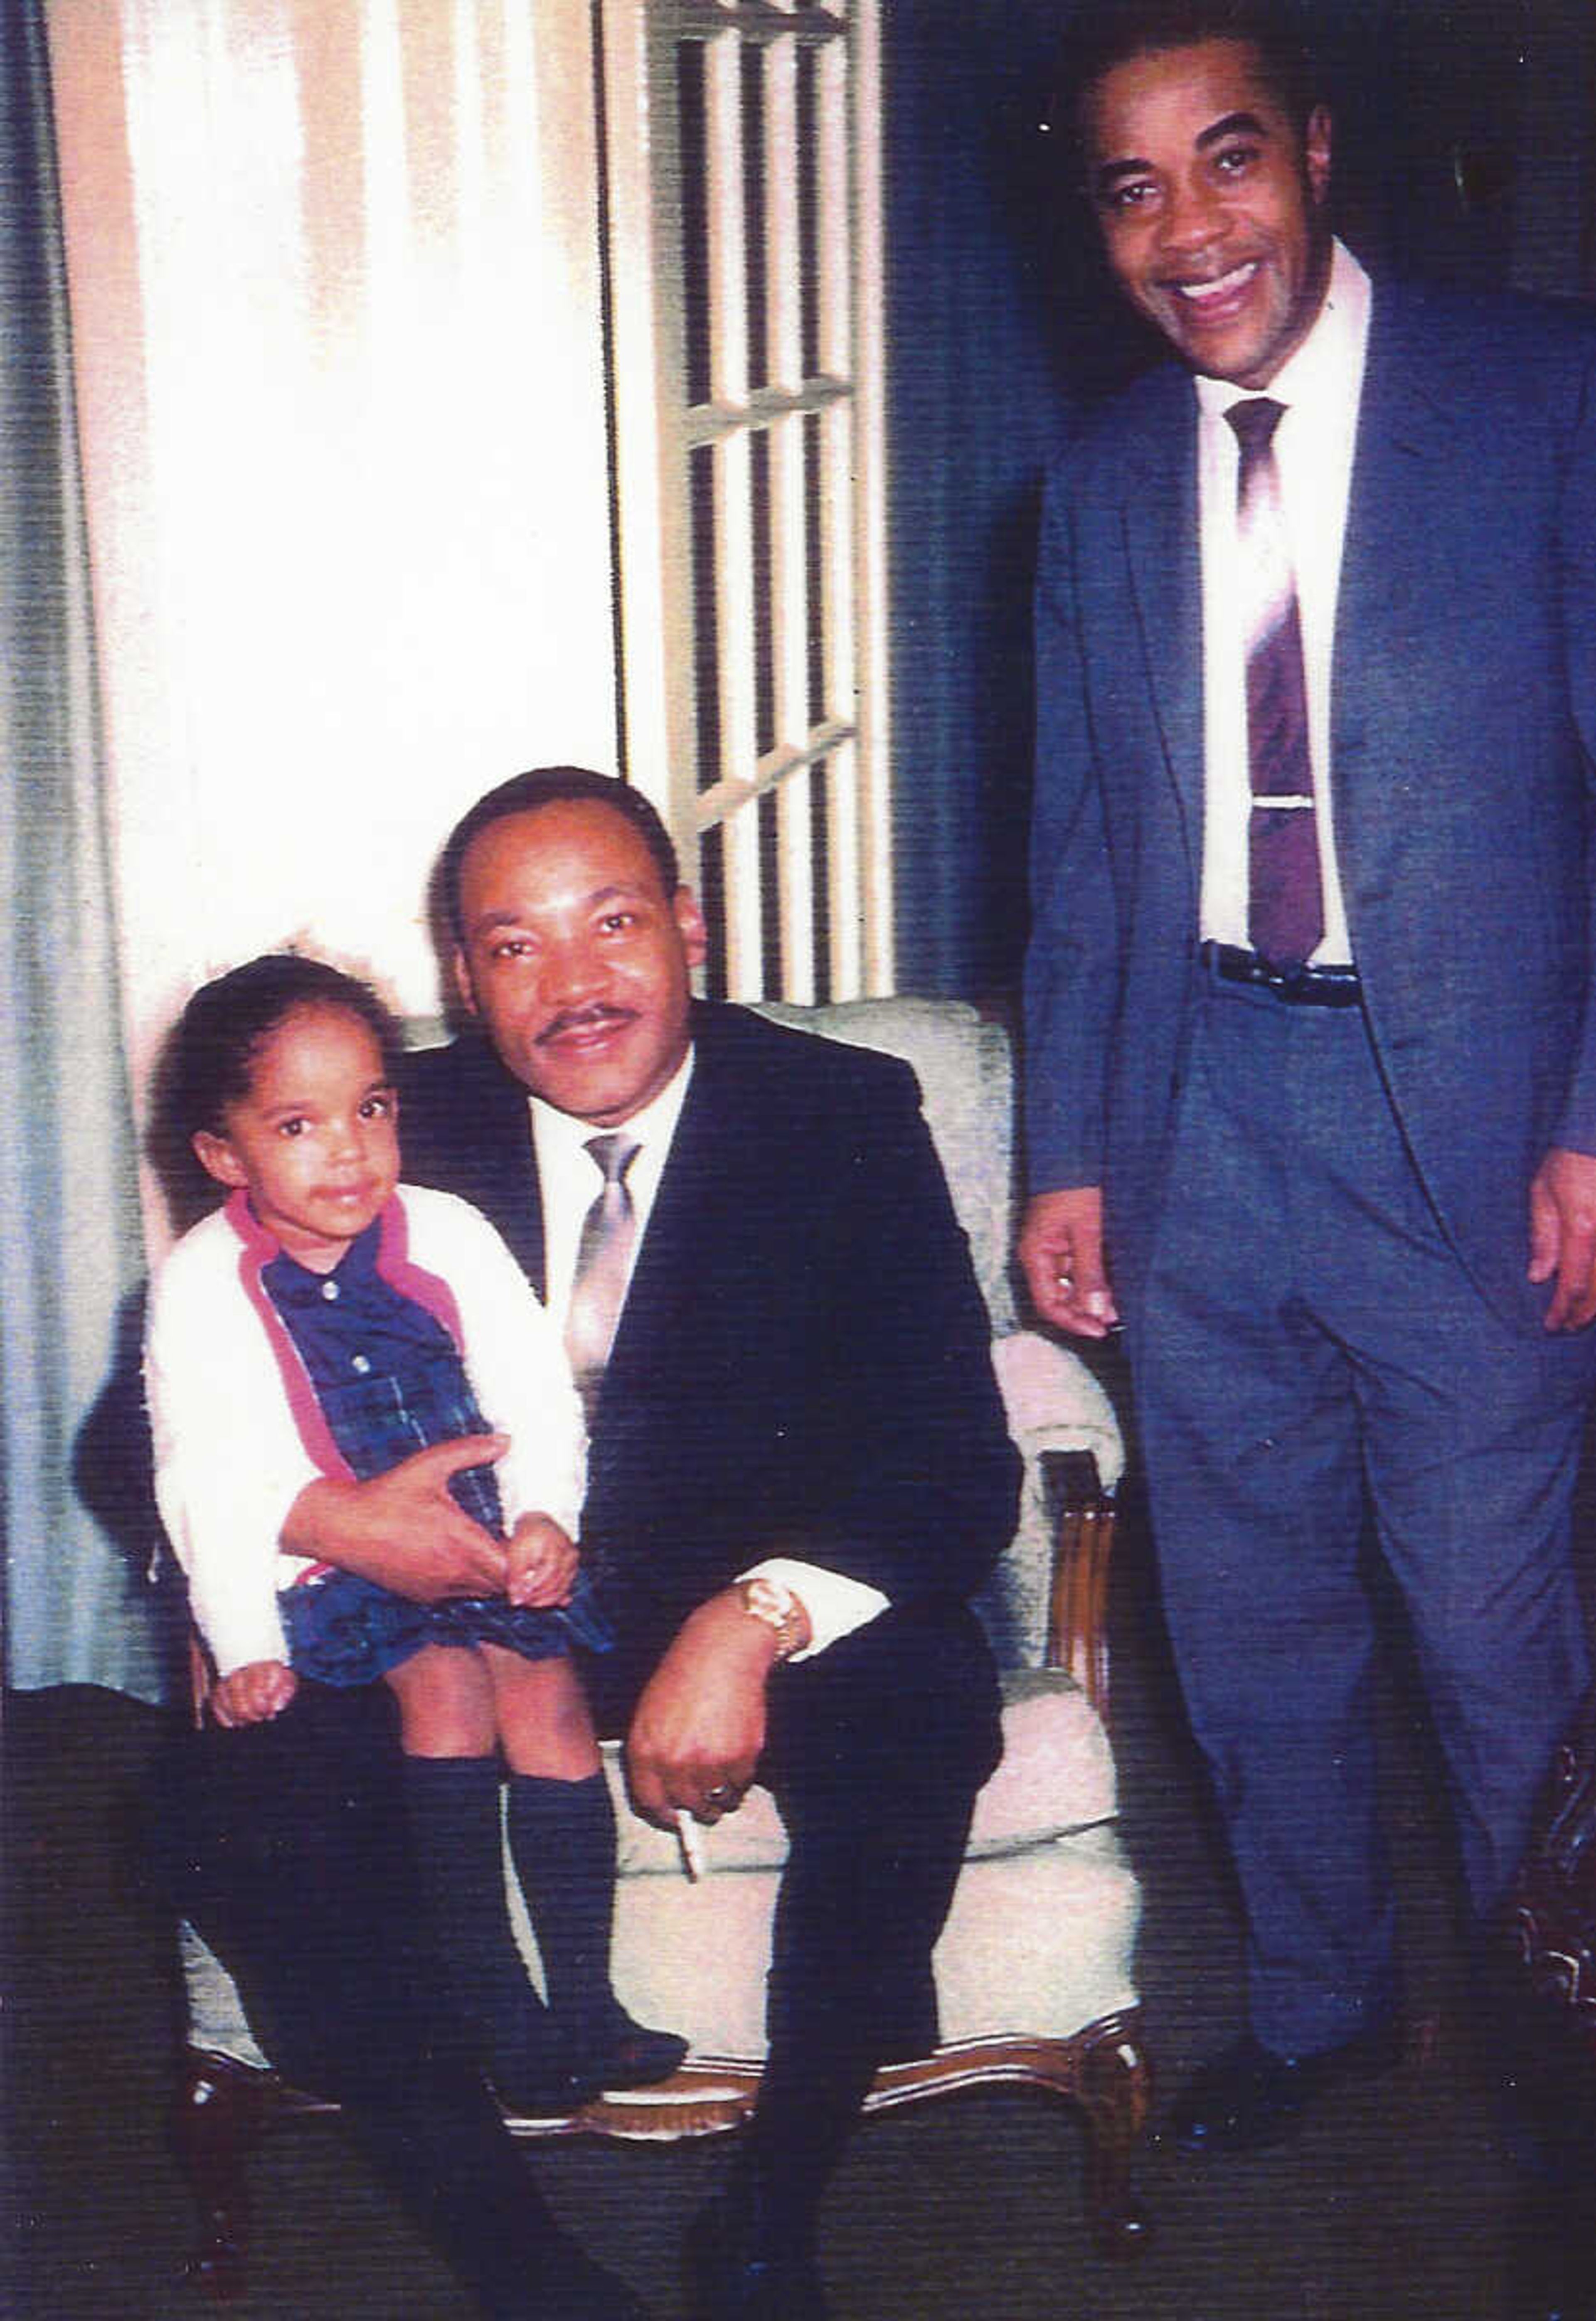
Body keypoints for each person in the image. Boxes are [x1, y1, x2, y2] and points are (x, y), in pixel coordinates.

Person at [186, 770, 1018, 2320]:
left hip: (715, 1589)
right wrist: (325, 1519)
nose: (575, 987)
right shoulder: (381, 1126)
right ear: (462, 979)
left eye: (615, 923)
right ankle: (527, 2266)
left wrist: (754, 1617)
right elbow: (173, 1398)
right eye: (516, 947)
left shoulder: (839, 1114)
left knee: (922, 1703)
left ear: (690, 928)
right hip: (432, 1610)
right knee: (237, 1809)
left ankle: (771, 2219)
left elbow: (956, 1461)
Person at [1018, 0, 1596, 2177]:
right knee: (1248, 1626)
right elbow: (1081, 842)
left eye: (1227, 160)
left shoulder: (1543, 398)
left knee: (1489, 1635)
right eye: (1133, 188)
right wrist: (1069, 1146)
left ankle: (1564, 2040)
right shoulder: (1091, 485)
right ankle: (1326, 2008)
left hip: (1467, 1118)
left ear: (1318, 155)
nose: (1190, 231)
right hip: (1200, 1119)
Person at [146, 955, 685, 2116]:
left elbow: (534, 1394)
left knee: (544, 1690)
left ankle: (586, 2000)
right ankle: (499, 2009)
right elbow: (207, 1476)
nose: (348, 1149)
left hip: (487, 1526)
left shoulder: (445, 1229)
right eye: (299, 1123)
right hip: (337, 1559)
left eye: (371, 1108)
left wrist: (548, 1514)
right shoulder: (201, 1284)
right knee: (444, 1694)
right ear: (224, 1155)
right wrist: (244, 1643)